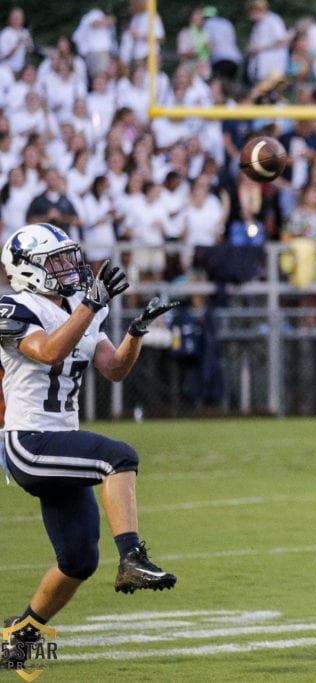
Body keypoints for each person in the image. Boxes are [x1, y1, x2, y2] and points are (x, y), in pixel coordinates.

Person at [0, 224, 179, 668]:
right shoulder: (12, 306)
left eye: (68, 258)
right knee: (118, 457)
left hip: (59, 440)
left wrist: (137, 331)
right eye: (56, 261)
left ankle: (16, 642)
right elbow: (47, 352)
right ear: (27, 270)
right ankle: (133, 557)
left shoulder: (79, 307)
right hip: (29, 440)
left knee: (79, 559)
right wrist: (92, 304)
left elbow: (114, 367)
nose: (69, 268)